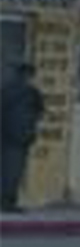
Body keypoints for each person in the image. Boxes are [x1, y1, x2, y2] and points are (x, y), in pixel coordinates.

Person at [1, 63, 47, 213]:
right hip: (20, 138)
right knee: (14, 171)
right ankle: (8, 204)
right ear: (29, 75)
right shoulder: (32, 92)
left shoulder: (4, 90)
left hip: (4, 136)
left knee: (5, 170)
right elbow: (41, 113)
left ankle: (5, 202)